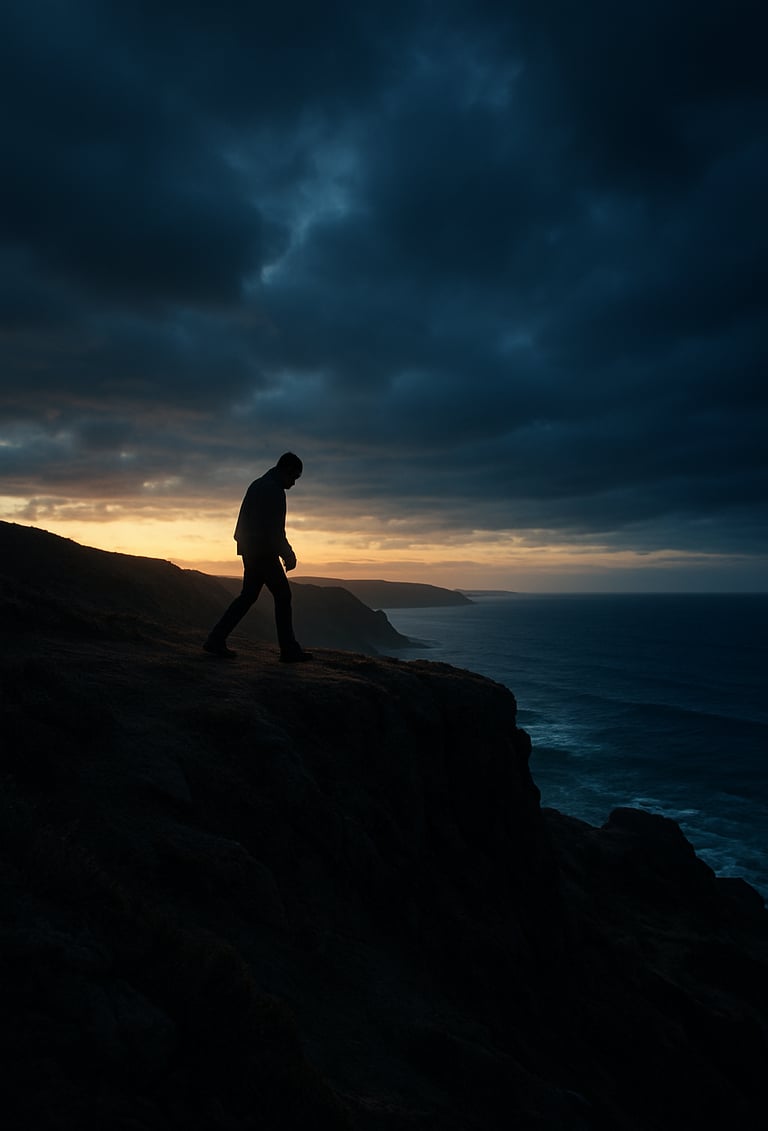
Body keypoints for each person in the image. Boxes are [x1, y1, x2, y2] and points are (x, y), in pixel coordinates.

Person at [203, 452, 312, 662]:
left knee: (248, 595)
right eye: (294, 477)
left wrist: (246, 546)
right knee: (283, 595)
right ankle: (288, 650)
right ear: (286, 470)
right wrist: (288, 555)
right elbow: (275, 530)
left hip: (251, 550)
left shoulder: (258, 484)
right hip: (263, 552)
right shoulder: (274, 491)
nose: (293, 483)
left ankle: (216, 639)